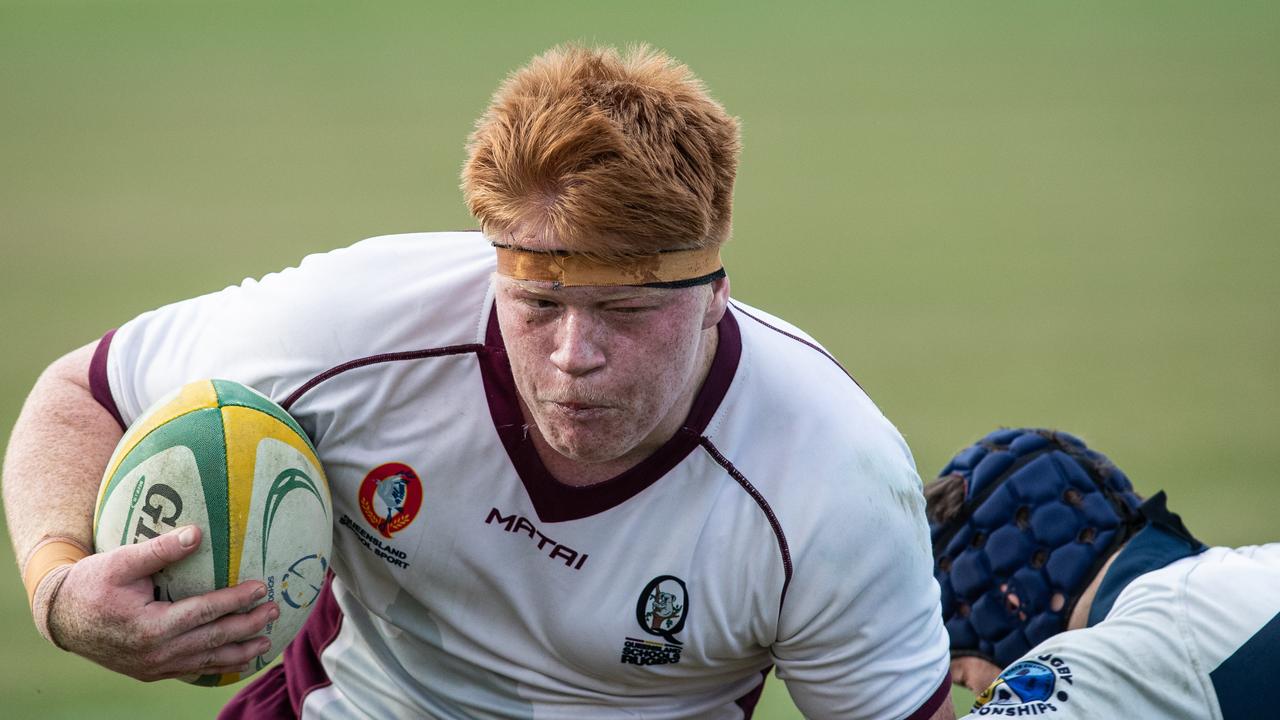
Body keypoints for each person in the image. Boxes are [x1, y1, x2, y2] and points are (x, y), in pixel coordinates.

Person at [3, 45, 955, 719]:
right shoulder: (356, 323)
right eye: (537, 305)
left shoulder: (832, 478)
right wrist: (57, 589)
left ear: (713, 296)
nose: (575, 355)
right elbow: (84, 390)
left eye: (625, 312)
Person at [925, 427, 1280, 719]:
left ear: (1010, 599)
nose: (973, 694)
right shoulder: (1257, 565)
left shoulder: (1115, 655)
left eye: (961, 678)